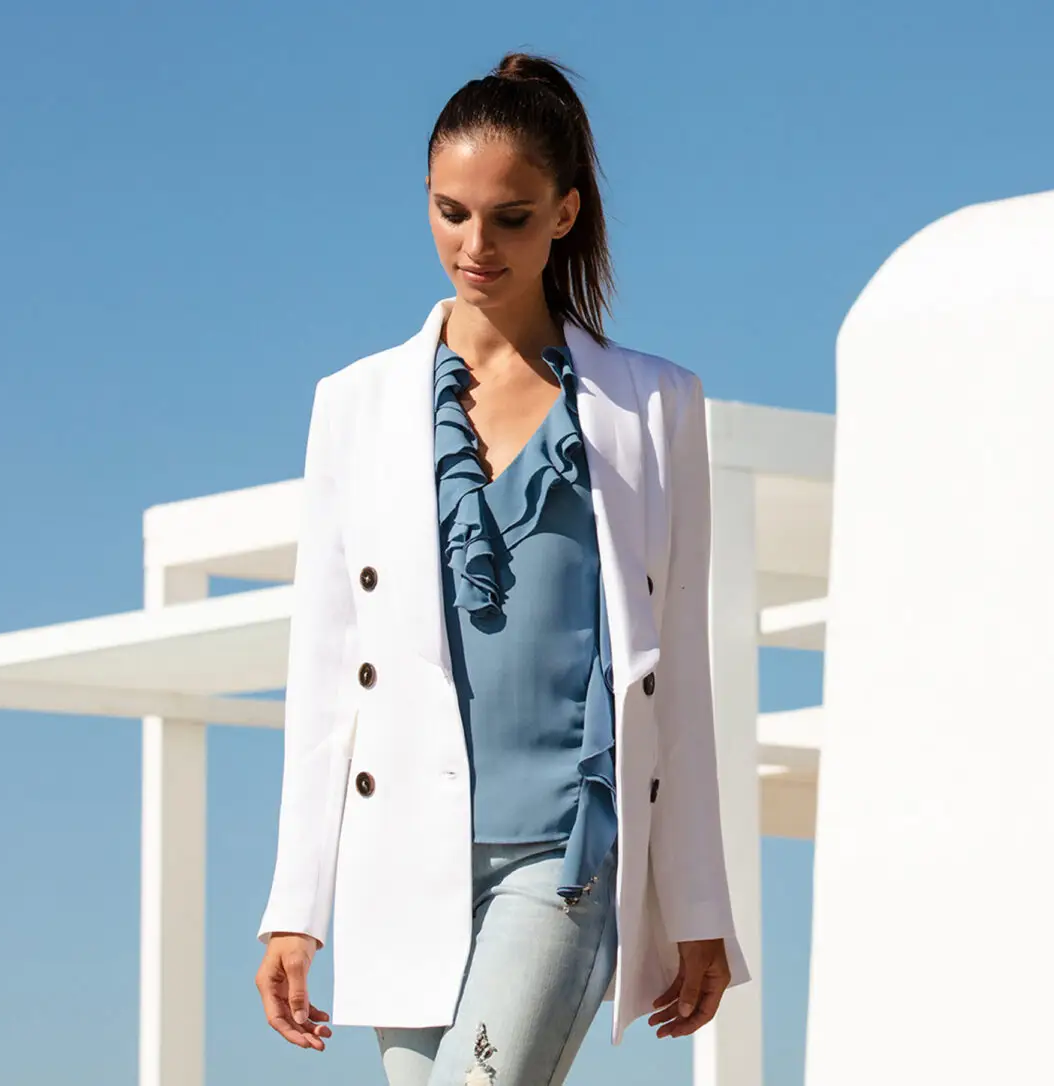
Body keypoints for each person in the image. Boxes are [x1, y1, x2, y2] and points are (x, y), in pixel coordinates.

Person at [252, 52, 748, 1086]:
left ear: (566, 212)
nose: (475, 246)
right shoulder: (356, 407)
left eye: (510, 217)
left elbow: (679, 676)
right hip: (402, 863)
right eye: (450, 212)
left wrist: (698, 906)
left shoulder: (654, 408)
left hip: (563, 864)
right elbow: (325, 674)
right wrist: (293, 907)